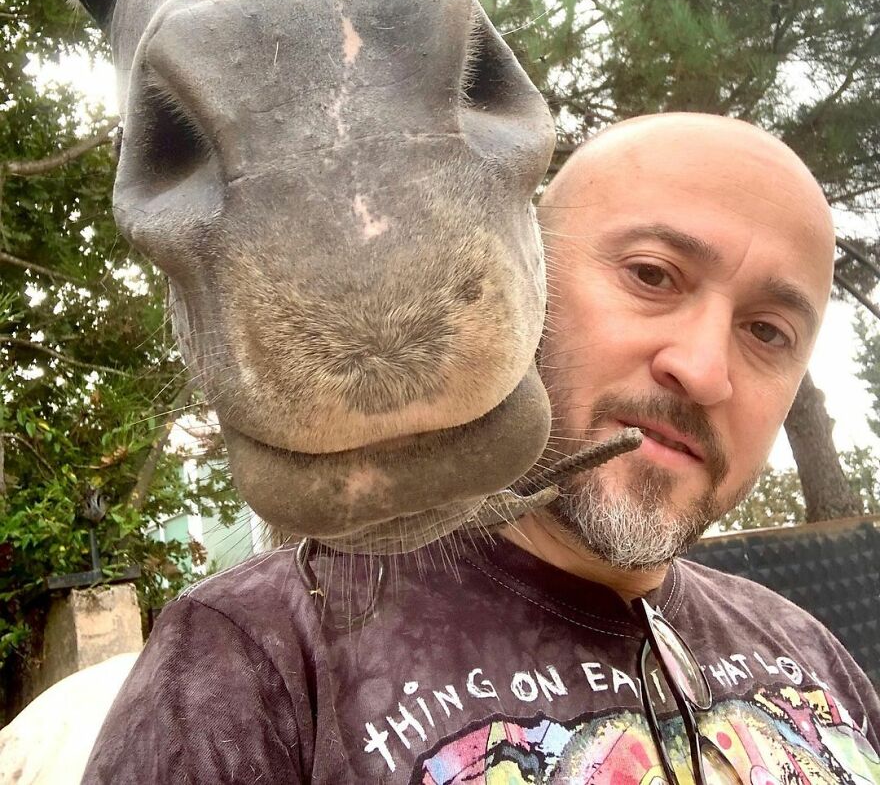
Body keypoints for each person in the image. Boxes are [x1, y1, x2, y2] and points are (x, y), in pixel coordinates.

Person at [83, 113, 880, 784]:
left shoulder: (811, 654)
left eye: (768, 331)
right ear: (521, 277)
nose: (704, 370)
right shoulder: (261, 660)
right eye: (652, 275)